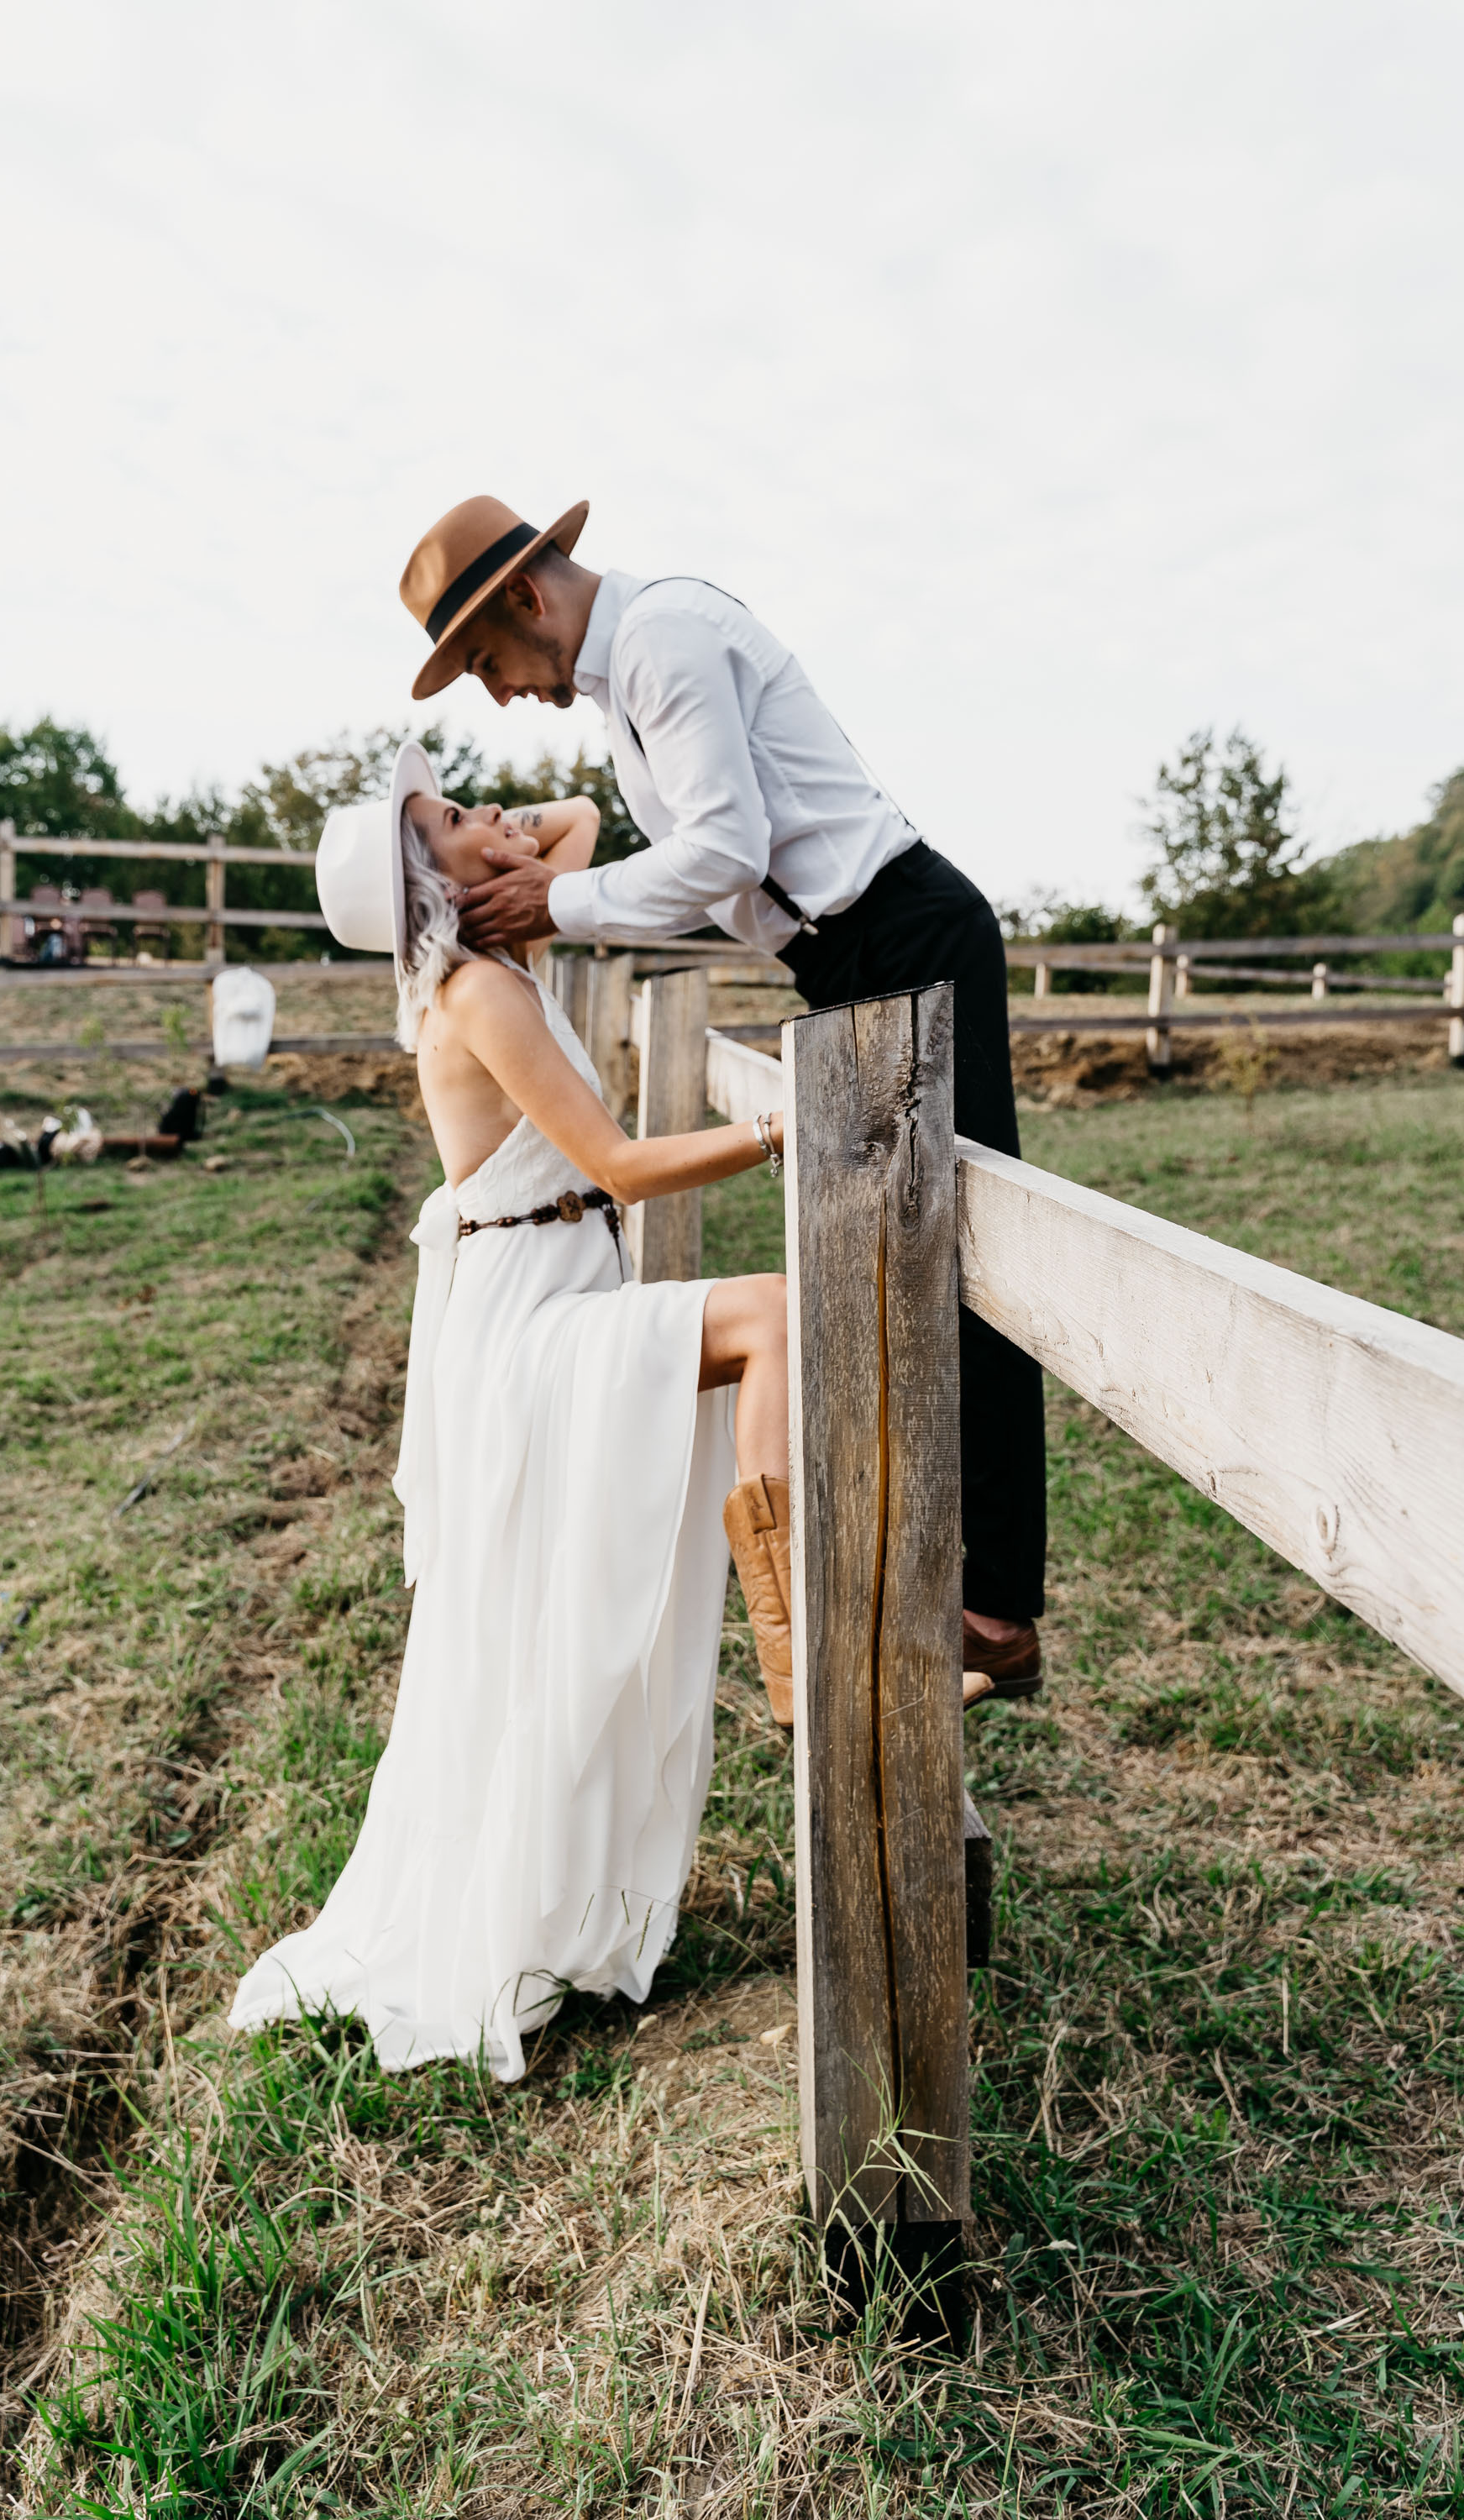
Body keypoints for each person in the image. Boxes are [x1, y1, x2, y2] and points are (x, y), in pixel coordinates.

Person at [395, 496, 1047, 1705]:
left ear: (530, 599)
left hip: (907, 932)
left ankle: (997, 1605)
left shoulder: (664, 641)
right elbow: (676, 854)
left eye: (486, 661)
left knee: (954, 1248)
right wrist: (517, 876)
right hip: (841, 957)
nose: (498, 695)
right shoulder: (621, 682)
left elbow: (727, 854)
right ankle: (901, 1567)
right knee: (870, 1261)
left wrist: (552, 903)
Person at [228, 742, 795, 2077]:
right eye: (460, 816)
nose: (502, 813)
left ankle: (780, 1610)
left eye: (485, 804)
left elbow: (584, 817)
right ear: (437, 881)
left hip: (539, 1288)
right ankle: (790, 1628)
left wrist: (478, 852)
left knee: (539, 1619)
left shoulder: (487, 958)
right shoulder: (481, 992)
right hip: (529, 1327)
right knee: (771, 1312)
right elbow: (623, 1169)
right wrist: (790, 1126)